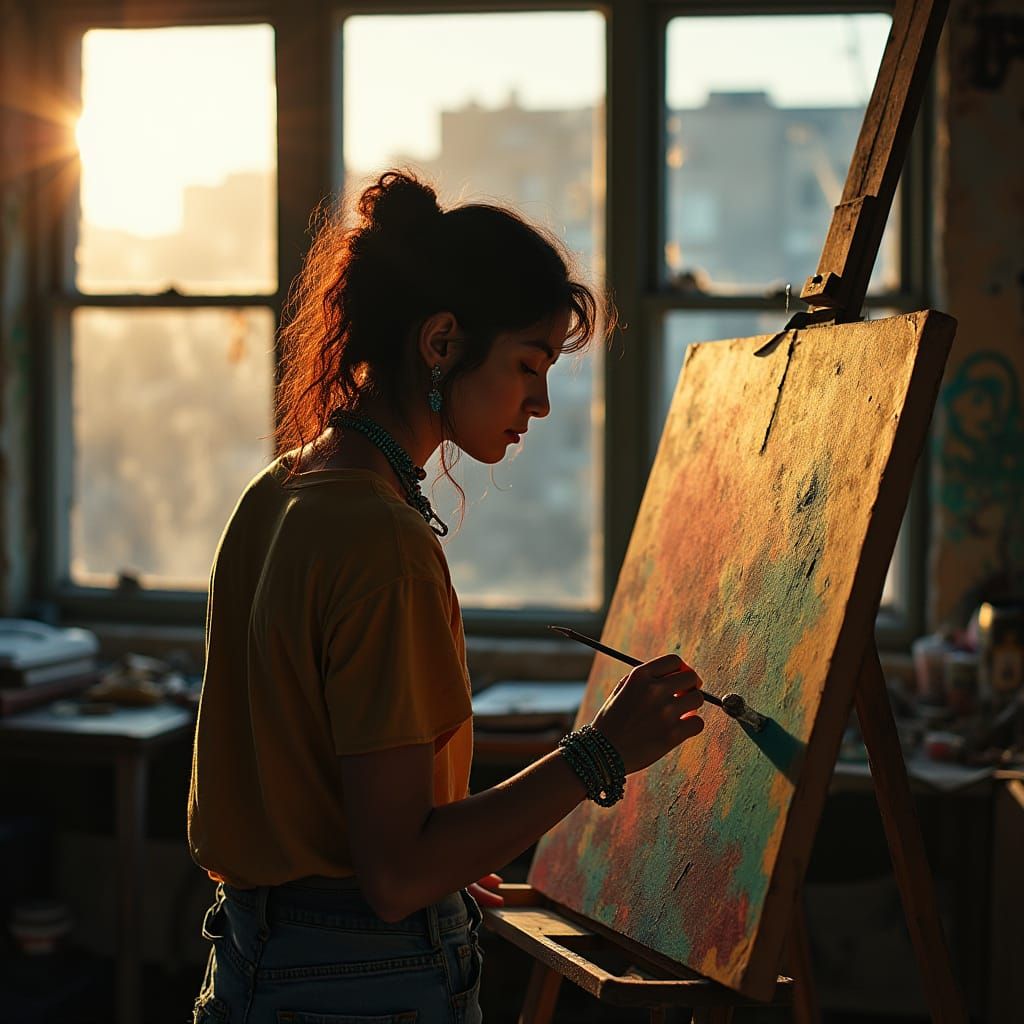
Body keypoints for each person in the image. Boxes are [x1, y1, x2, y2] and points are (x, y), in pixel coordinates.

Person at [188, 170, 705, 1024]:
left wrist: (441, 852)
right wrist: (602, 753)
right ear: (440, 342)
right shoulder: (380, 540)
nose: (538, 403)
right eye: (526, 365)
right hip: (359, 985)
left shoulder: (278, 490)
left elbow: (329, 802)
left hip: (259, 966)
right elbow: (393, 878)